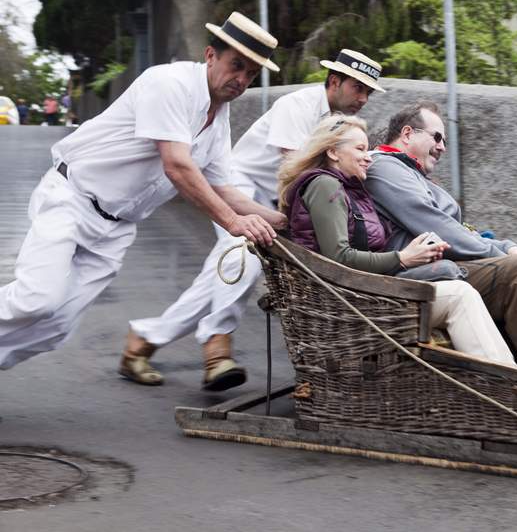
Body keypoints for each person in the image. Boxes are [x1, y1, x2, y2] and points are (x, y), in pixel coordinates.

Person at [0, 12, 286, 377]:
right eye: (237, 66)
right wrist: (234, 223)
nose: (242, 79)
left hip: (116, 229)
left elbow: (223, 187)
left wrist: (280, 221)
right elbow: (178, 166)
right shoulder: (170, 84)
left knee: (55, 328)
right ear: (210, 55)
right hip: (72, 199)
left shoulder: (220, 116)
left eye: (251, 74)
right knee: (36, 299)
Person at [120, 49, 386, 390]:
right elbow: (293, 171)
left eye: (368, 91)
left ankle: (142, 340)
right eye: (358, 88)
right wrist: (297, 221)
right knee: (242, 257)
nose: (363, 98)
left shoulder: (337, 122)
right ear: (334, 81)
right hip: (238, 188)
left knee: (220, 274)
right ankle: (217, 347)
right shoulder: (300, 105)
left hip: (270, 198)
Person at [364, 101, 517, 384]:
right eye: (437, 137)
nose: (442, 147)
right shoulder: (384, 168)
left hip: (444, 264)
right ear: (407, 134)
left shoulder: (409, 172)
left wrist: (505, 246)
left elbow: (455, 228)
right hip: (421, 275)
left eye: (444, 140)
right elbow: (437, 228)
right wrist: (500, 251)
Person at [277, 115, 516, 365]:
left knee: (459, 287)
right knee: (459, 295)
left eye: (368, 149)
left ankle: (506, 380)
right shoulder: (325, 185)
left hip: (365, 291)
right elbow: (338, 258)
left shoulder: (349, 188)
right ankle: (508, 386)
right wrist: (403, 258)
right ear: (334, 153)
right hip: (350, 303)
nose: (368, 156)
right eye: (360, 149)